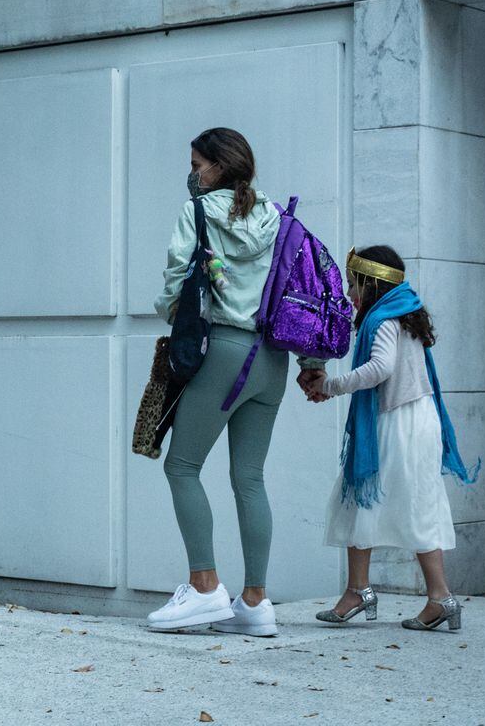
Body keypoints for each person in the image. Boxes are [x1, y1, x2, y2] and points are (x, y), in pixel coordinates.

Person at [146, 128, 315, 637]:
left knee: (181, 466)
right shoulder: (281, 221)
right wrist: (312, 363)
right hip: (273, 360)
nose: (193, 172)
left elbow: (175, 286)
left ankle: (203, 587)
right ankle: (256, 603)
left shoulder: (197, 213)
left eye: (198, 163)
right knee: (250, 478)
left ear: (219, 167)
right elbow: (299, 290)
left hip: (223, 350)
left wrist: (169, 312)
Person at [299, 246, 478, 631]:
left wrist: (329, 386)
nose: (349, 293)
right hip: (416, 419)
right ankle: (399, 594)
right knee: (399, 505)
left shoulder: (382, 320)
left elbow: (380, 368)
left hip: (399, 423)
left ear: (371, 284)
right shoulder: (404, 312)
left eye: (352, 284)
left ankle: (403, 594)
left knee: (371, 499)